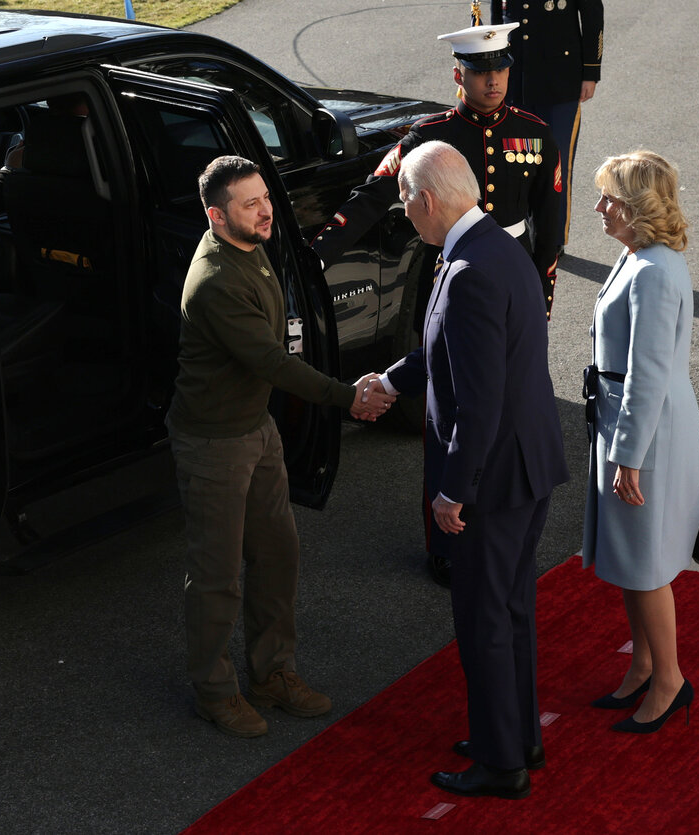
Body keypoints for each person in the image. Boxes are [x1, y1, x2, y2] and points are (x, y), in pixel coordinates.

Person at [365, 141, 568, 798]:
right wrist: (394, 380)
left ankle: (500, 761)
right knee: (510, 611)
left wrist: (453, 490)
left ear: (426, 200)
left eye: (405, 201)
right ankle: (516, 736)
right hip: (526, 465)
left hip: (492, 478)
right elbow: (447, 346)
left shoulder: (468, 270)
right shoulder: (497, 247)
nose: (405, 213)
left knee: (483, 617)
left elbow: (477, 402)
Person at [167, 155, 395, 738]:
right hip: (215, 443)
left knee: (277, 553)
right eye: (250, 203)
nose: (267, 210)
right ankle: (214, 693)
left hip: (255, 429)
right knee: (217, 576)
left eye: (265, 197)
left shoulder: (251, 242)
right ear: (217, 216)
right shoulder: (216, 280)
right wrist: (350, 398)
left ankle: (272, 674)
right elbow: (270, 361)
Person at [311, 21, 564, 318]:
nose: (493, 81)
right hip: (448, 266)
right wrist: (317, 256)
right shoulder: (429, 134)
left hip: (515, 264)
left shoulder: (535, 133)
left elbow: (548, 219)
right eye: (481, 72)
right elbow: (373, 195)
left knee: (516, 355)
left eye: (500, 69)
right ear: (459, 75)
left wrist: (542, 286)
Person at [582, 150, 699, 733]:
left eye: (611, 199)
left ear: (638, 209)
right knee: (633, 558)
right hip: (628, 420)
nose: (600, 208)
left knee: (647, 564)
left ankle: (670, 681)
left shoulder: (652, 269)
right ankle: (644, 666)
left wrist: (627, 454)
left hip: (642, 430)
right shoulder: (640, 256)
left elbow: (647, 372)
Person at [493, 0, 604, 245]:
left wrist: (590, 72)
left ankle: (550, 239)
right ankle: (521, 233)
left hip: (560, 83)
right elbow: (494, 21)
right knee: (518, 163)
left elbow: (593, 17)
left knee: (556, 164)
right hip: (517, 82)